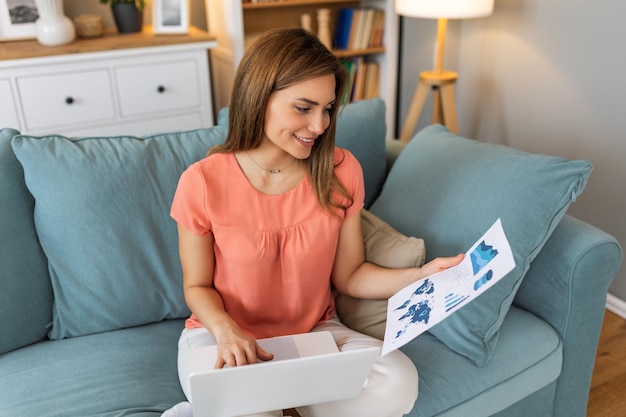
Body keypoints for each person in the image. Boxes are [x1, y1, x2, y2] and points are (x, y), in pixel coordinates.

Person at [163, 27, 463, 417]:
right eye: (303, 108)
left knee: (397, 382)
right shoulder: (201, 181)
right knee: (249, 404)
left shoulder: (341, 169)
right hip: (224, 336)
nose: (319, 126)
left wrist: (421, 276)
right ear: (259, 98)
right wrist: (225, 329)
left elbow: (350, 276)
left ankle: (264, 402)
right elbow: (197, 286)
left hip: (313, 333)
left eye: (326, 109)